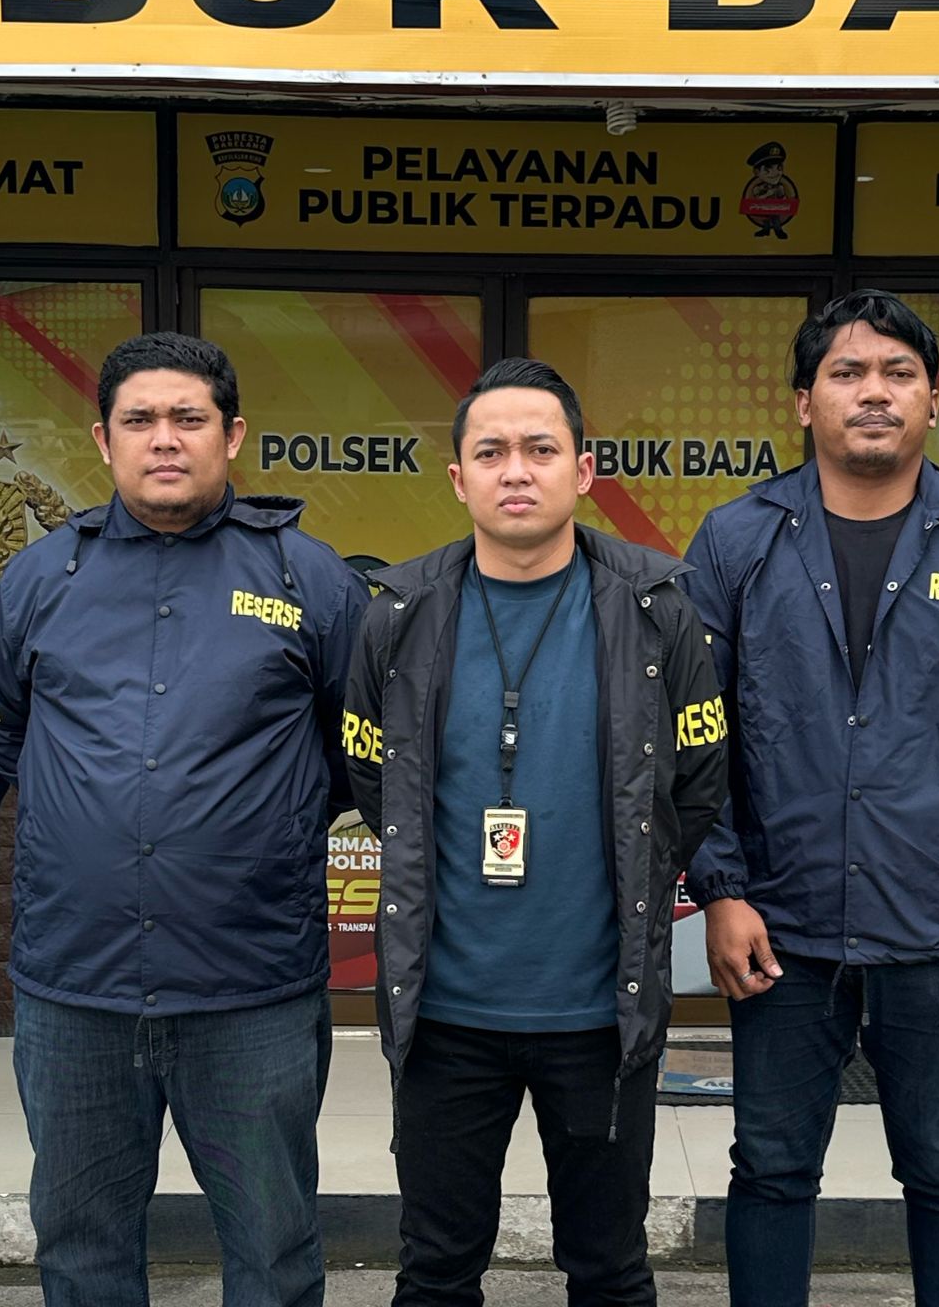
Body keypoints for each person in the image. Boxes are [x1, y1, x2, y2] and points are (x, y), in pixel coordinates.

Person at [685, 290, 939, 1307]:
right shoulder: (733, 541)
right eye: (846, 372)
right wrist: (720, 887)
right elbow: (693, 726)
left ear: (931, 401)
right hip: (781, 921)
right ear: (801, 401)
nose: (873, 392)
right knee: (771, 1167)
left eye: (898, 373)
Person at [0, 332, 363, 1307]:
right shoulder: (39, 578)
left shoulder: (309, 579)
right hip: (77, 986)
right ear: (103, 440)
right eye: (139, 419)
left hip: (251, 985)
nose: (165, 438)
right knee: (81, 1248)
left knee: (274, 1250)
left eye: (189, 417)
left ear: (233, 434)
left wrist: (256, 823)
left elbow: (357, 749)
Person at [341, 357, 728, 1307]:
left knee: (609, 1270)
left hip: (601, 1015)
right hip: (444, 1014)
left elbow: (698, 785)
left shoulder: (659, 611)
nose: (516, 470)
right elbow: (373, 778)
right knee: (436, 1271)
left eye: (541, 449)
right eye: (492, 452)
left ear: (583, 470)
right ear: (458, 478)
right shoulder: (398, 616)